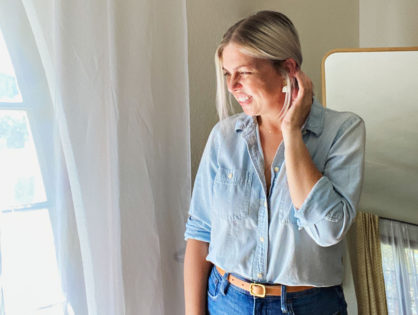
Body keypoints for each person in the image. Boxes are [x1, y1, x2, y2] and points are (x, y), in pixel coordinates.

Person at [184, 10, 365, 315]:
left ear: (288, 69)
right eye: (228, 74)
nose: (232, 86)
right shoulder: (224, 137)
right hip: (226, 300)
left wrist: (291, 131)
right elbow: (200, 233)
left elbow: (328, 230)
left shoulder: (342, 132)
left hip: (309, 306)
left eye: (244, 72)